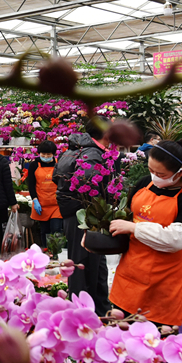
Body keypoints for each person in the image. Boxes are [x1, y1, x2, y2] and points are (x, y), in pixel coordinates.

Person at [109, 139, 182, 326]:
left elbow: (176, 239)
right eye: (151, 170)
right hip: (129, 277)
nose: (154, 177)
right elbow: (124, 216)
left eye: (160, 174)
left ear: (180, 172)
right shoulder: (144, 184)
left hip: (162, 284)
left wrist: (135, 228)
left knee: (152, 339)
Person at [53, 121, 111, 316]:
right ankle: (82, 313)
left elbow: (56, 176)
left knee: (96, 264)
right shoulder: (92, 153)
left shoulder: (75, 149)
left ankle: (100, 311)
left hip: (76, 213)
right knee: (84, 266)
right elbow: (88, 184)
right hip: (85, 215)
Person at [27, 140, 62, 247]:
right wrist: (35, 200)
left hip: (56, 205)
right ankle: (46, 251)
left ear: (53, 154)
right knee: (44, 230)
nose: (46, 156)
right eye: (43, 154)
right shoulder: (34, 165)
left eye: (48, 154)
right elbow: (31, 184)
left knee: (56, 229)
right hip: (41, 204)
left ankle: (57, 251)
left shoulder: (58, 164)